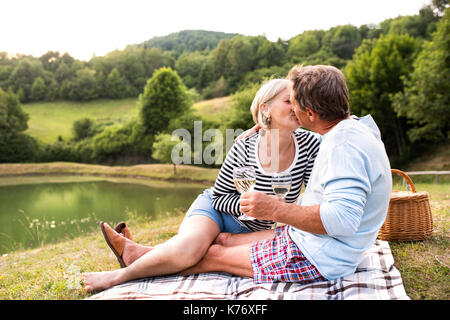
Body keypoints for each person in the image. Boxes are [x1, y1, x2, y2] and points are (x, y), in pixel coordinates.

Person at [82, 78, 321, 293]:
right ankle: (117, 277)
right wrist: (249, 205)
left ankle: (136, 254)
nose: (296, 107)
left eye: (298, 102)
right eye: (289, 101)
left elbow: (313, 197)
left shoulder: (311, 144)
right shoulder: (245, 146)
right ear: (265, 108)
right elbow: (218, 197)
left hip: (257, 229)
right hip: (216, 213)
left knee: (286, 245)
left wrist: (280, 210)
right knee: (189, 250)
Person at [177, 64, 392, 284]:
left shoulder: (342, 146)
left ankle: (140, 261)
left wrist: (275, 209)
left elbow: (342, 220)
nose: (293, 111)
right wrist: (263, 125)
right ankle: (147, 255)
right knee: (225, 240)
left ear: (309, 113)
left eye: (294, 103)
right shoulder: (352, 129)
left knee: (213, 255)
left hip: (317, 256)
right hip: (310, 239)